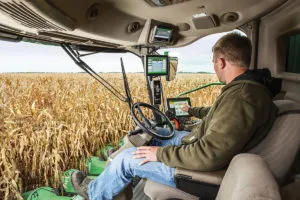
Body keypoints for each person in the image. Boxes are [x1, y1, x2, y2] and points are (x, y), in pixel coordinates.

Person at [71, 32, 280, 200]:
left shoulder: (242, 97)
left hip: (204, 173)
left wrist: (160, 155)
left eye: (213, 62)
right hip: (207, 149)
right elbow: (219, 116)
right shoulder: (247, 90)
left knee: (127, 159)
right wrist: (192, 111)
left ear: (222, 62)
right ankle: (116, 180)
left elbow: (209, 155)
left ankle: (95, 193)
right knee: (159, 132)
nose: (214, 67)